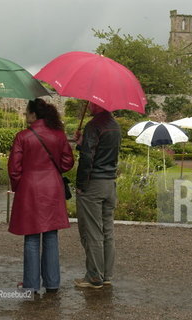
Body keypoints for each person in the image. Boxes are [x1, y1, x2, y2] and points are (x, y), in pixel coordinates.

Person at [8, 99, 74, 294]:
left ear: (34, 115)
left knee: (32, 236)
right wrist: (54, 172)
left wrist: (20, 187)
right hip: (53, 188)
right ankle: (52, 283)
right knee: (51, 235)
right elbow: (67, 162)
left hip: (30, 189)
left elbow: (14, 169)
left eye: (27, 113)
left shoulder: (22, 136)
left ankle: (31, 284)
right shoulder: (59, 135)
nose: (25, 116)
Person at [73, 102, 121, 289]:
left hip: (93, 184)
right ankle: (106, 274)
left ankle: (94, 276)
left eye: (91, 101)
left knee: (92, 231)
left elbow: (88, 158)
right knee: (107, 231)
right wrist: (81, 144)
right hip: (110, 184)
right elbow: (102, 152)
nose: (89, 104)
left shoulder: (94, 125)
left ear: (97, 103)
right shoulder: (115, 125)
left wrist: (80, 185)